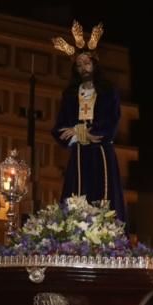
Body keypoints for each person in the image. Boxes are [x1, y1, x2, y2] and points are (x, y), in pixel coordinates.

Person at [50, 22, 126, 220]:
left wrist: (79, 131)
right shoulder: (70, 95)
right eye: (79, 64)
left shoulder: (108, 92)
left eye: (87, 63)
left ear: (95, 64)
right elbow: (59, 128)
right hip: (78, 154)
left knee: (104, 199)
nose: (83, 68)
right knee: (76, 197)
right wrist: (77, 135)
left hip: (102, 154)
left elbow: (111, 122)